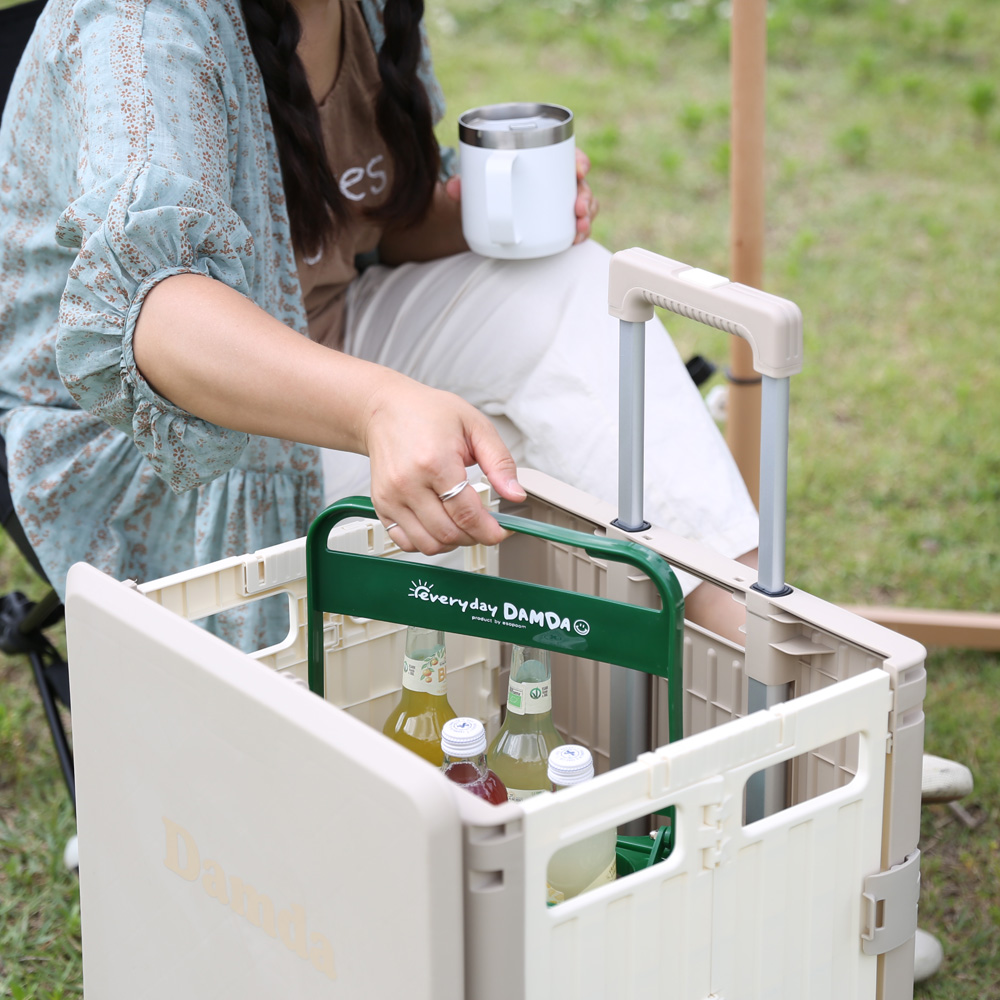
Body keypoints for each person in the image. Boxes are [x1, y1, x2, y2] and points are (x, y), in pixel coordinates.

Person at [0, 0, 757, 649]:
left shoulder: (361, 10)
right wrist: (379, 406)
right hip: (165, 445)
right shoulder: (143, 27)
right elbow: (153, 318)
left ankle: (761, 645)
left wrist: (471, 216)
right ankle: (630, 692)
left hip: (329, 333)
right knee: (529, 449)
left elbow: (375, 226)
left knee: (582, 290)